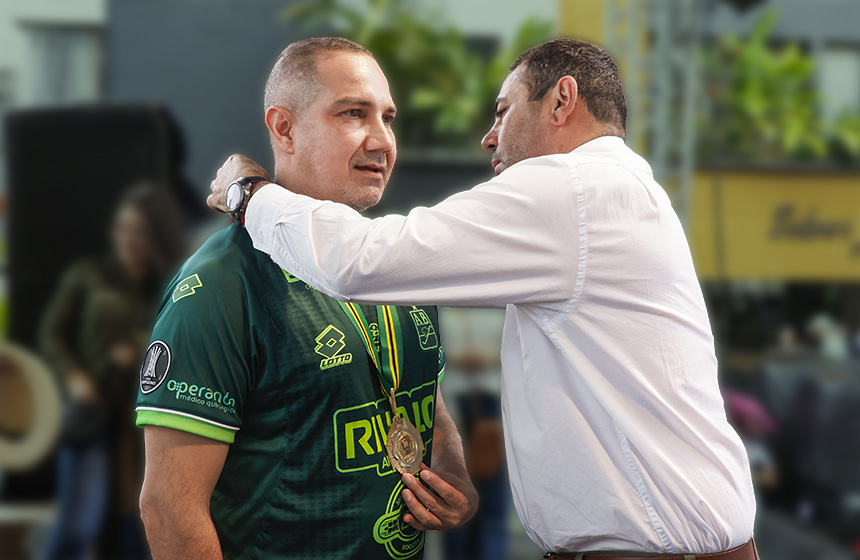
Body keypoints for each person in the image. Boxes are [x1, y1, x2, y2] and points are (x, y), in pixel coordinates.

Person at [209, 38, 759, 559]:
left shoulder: (572, 189)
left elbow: (360, 260)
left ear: (561, 101)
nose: (489, 137)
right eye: (354, 113)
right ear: (284, 127)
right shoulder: (613, 193)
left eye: (503, 111)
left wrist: (250, 193)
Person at [136, 37, 477, 560]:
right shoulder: (222, 283)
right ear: (284, 128)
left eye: (388, 118)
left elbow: (419, 386)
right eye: (353, 113)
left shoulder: (394, 261)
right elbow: (168, 508)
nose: (382, 140)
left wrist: (452, 472)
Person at [40, 184, 184, 560]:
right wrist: (74, 375)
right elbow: (52, 332)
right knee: (78, 528)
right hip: (94, 410)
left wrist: (141, 345)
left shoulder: (170, 283)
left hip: (142, 422)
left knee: (138, 532)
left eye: (139, 231)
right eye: (123, 228)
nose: (128, 239)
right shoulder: (89, 273)